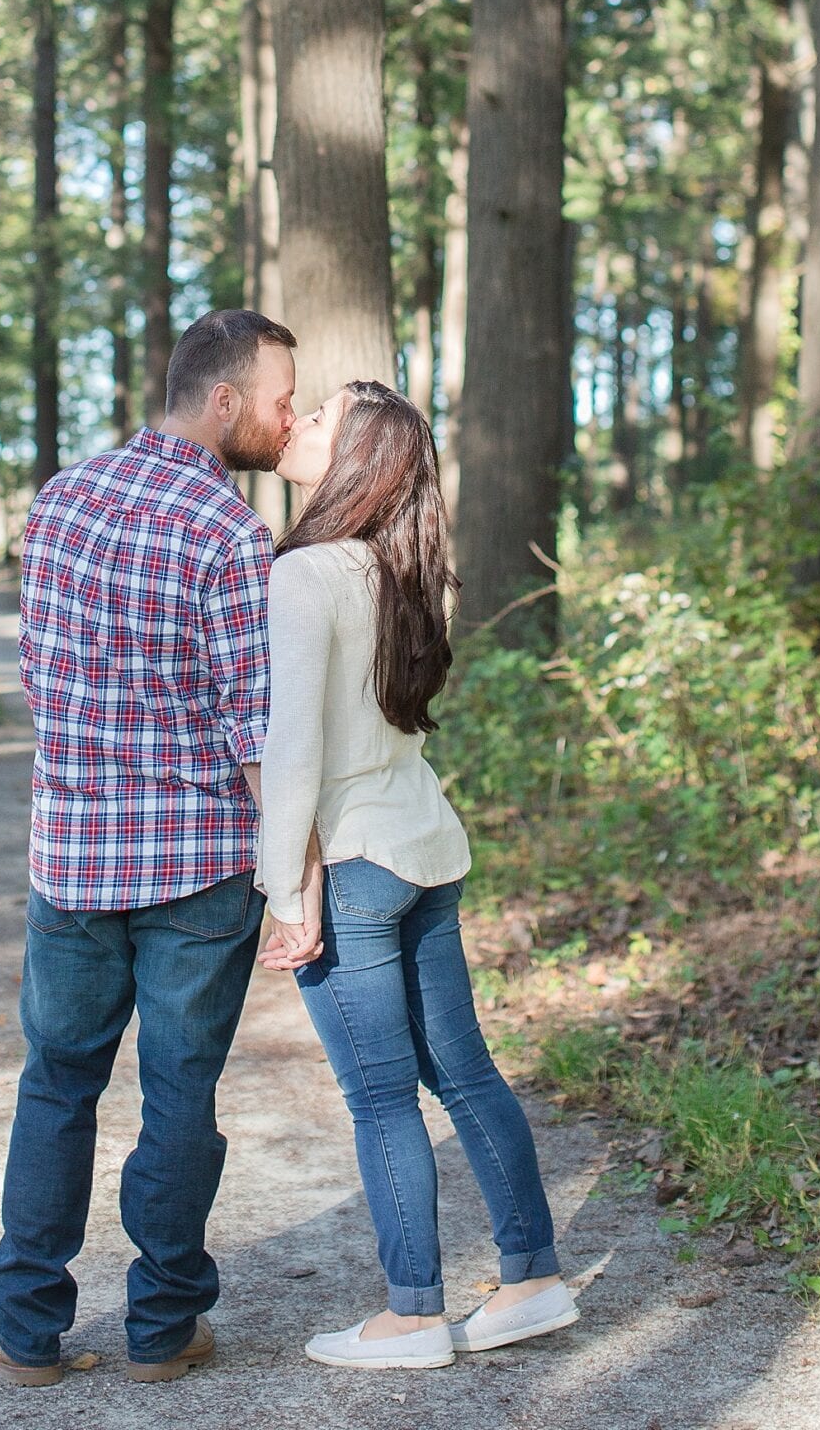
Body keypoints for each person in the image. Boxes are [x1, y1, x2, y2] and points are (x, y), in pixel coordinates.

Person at [0, 308, 311, 1388]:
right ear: (223, 403)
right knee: (178, 1097)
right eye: (277, 398)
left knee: (57, 1084)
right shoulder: (226, 533)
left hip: (72, 857)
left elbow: (38, 678)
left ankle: (28, 1330)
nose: (285, 416)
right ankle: (161, 1329)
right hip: (198, 868)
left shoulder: (60, 500)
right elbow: (251, 727)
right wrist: (293, 875)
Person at [258, 381, 579, 1372]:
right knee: (464, 1071)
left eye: (319, 417)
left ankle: (411, 1316)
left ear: (354, 457)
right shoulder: (398, 566)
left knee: (382, 1096)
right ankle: (532, 1279)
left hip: (352, 864)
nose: (298, 423)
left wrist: (284, 890)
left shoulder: (307, 572)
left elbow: (296, 752)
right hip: (424, 849)